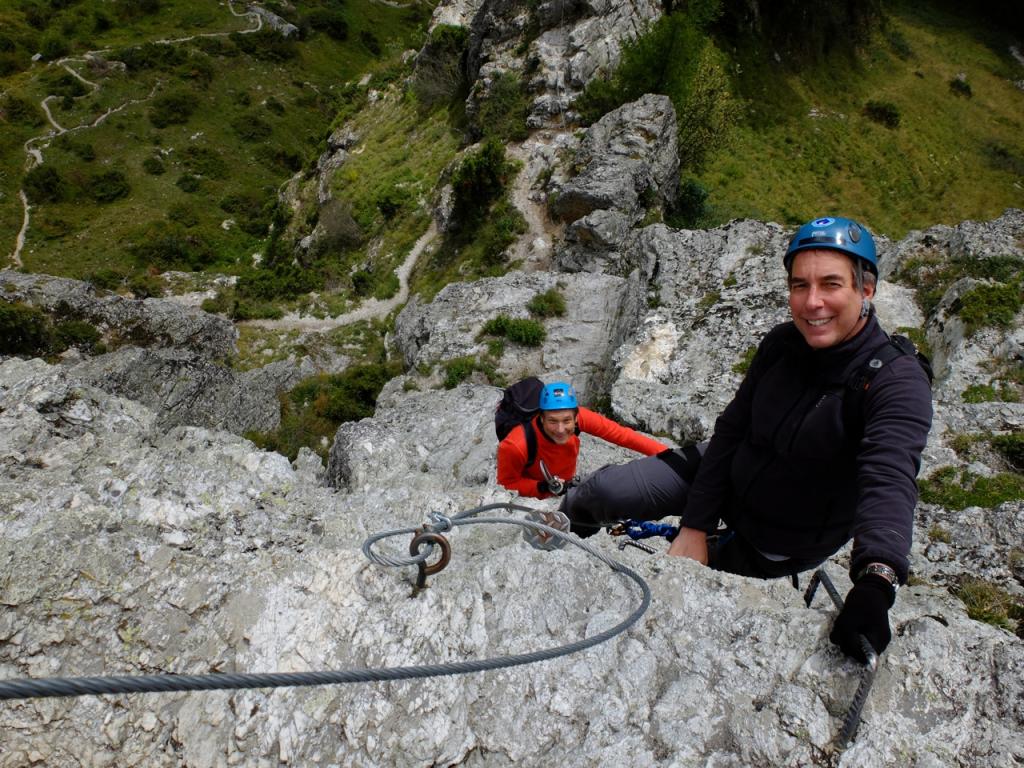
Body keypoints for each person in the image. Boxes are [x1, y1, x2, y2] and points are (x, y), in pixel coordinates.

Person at [662, 215, 933, 663]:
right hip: (733, 478)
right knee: (606, 491)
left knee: (715, 578)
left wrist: (876, 581)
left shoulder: (895, 381)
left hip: (783, 533)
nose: (812, 302)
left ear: (866, 289)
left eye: (831, 284)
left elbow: (889, 477)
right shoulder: (783, 344)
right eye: (799, 285)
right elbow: (732, 430)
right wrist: (695, 523)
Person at [496, 381, 669, 500]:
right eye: (552, 421)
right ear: (541, 418)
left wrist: (670, 455)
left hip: (565, 481)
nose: (560, 429)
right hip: (537, 492)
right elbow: (506, 484)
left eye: (567, 421)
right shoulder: (516, 445)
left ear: (576, 417)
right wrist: (542, 487)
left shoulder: (580, 417)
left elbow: (622, 435)